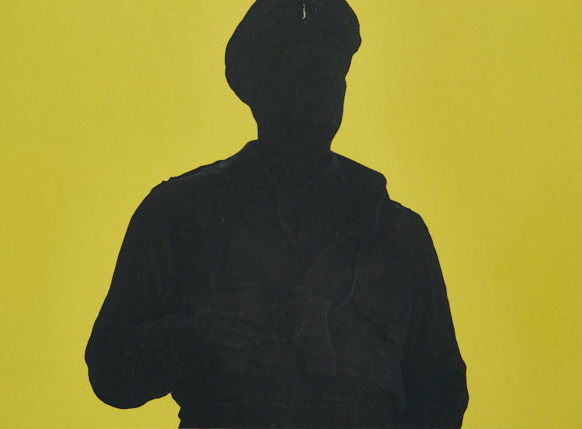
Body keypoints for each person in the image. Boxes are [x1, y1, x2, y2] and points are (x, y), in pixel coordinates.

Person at [85, 0, 469, 427]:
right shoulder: (179, 213)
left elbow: (443, 388)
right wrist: (192, 336)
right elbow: (108, 369)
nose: (320, 90)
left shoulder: (398, 234)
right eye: (300, 69)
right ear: (256, 86)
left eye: (333, 73)